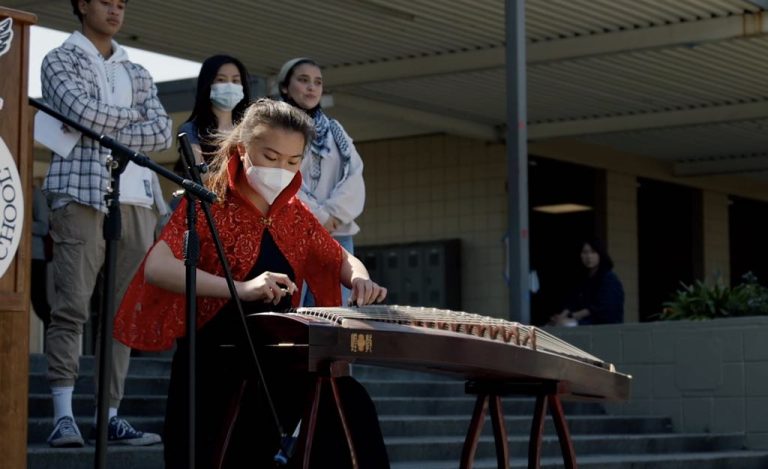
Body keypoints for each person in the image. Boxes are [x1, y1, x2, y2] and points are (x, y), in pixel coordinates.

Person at [113, 99, 390, 468]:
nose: (282, 170)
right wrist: (241, 288)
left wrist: (359, 277)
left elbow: (338, 258)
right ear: (243, 150)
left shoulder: (295, 214)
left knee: (347, 403)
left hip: (277, 363)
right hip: (216, 364)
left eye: (293, 162)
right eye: (271, 157)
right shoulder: (208, 203)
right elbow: (158, 267)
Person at [41, 0, 172, 447]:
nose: (116, 10)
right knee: (72, 307)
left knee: (122, 318)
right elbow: (79, 114)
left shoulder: (135, 70)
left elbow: (162, 132)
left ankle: (108, 415)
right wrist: (127, 120)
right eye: (105, 2)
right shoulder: (59, 58)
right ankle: (63, 415)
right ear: (81, 5)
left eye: (122, 4)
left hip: (138, 200)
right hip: (79, 194)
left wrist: (106, 122)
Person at [276, 57, 365, 306]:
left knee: (337, 315)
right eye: (303, 80)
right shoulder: (277, 127)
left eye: (317, 82)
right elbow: (281, 177)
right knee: (296, 312)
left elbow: (354, 173)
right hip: (293, 231)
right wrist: (318, 217)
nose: (311, 88)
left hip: (338, 234)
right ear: (285, 87)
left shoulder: (335, 131)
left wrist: (333, 214)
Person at [173, 54, 251, 176]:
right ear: (207, 83)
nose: (230, 86)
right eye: (221, 80)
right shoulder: (191, 130)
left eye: (235, 80)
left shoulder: (250, 130)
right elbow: (199, 178)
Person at [550, 237, 625, 326]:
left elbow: (605, 308)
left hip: (603, 326)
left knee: (565, 325)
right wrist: (562, 316)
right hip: (585, 322)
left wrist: (572, 316)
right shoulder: (582, 279)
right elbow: (572, 301)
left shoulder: (609, 279)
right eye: (585, 252)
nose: (589, 256)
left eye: (593, 252)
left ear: (600, 254)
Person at [31, 183, 51, 330]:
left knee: (39, 301)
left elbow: (43, 227)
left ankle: (51, 341)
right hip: (15, 259)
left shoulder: (36, 194)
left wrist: (21, 223)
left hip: (35, 257)